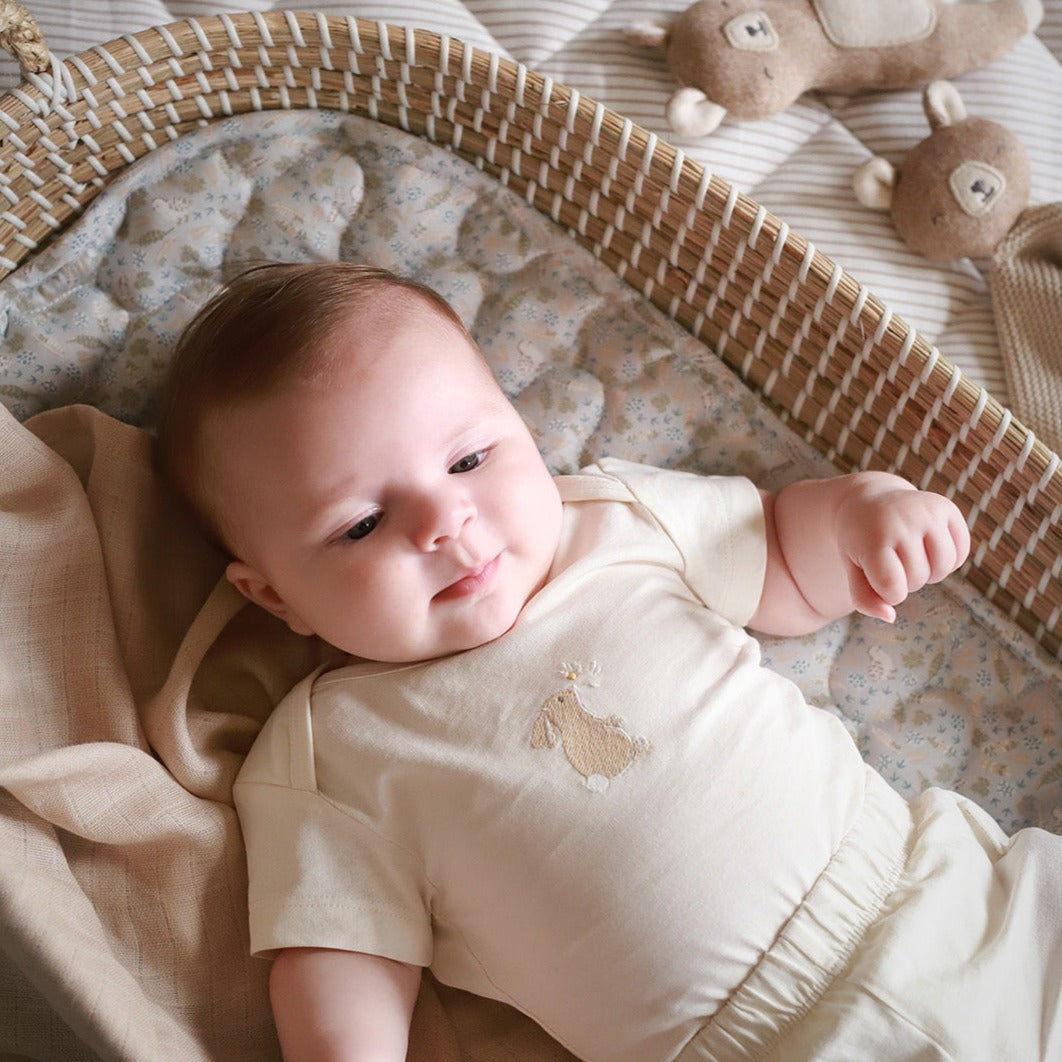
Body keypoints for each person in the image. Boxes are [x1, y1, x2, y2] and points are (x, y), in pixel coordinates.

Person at [156, 261, 1061, 1062]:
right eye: (361, 524)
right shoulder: (327, 754)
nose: (445, 522)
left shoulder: (620, 522)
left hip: (950, 896)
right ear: (272, 593)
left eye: (470, 457)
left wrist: (865, 514)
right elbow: (342, 950)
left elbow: (783, 560)